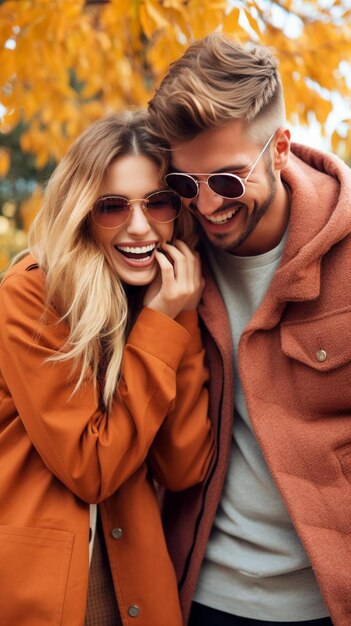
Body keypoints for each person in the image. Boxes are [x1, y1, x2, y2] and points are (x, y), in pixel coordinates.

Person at [148, 32, 351, 626]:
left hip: (327, 603)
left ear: (281, 148)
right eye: (186, 183)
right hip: (202, 598)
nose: (207, 205)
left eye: (229, 181)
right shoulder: (168, 247)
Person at [0, 110, 214, 626]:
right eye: (112, 207)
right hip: (41, 596)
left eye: (157, 202)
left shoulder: (162, 299)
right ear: (81, 212)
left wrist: (177, 314)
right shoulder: (33, 296)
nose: (140, 226)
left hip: (137, 591)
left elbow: (185, 466)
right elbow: (90, 468)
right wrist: (165, 320)